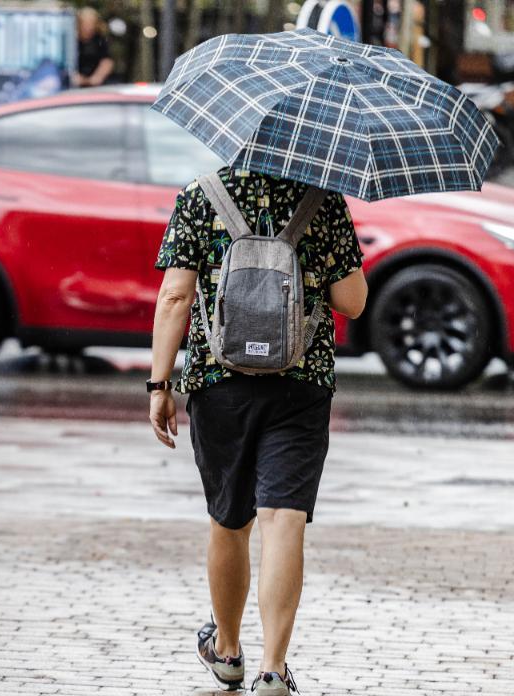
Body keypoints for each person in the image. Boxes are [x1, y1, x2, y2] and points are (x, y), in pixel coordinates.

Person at [148, 168, 367, 694]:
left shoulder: (202, 196)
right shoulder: (323, 201)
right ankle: (273, 666)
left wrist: (159, 384)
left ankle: (226, 650)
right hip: (301, 383)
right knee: (283, 519)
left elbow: (175, 297)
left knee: (229, 518)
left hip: (219, 383)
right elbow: (353, 301)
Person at [75, 8, 114, 87]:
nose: (89, 27)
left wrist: (96, 78)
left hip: (97, 84)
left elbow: (107, 61)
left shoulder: (100, 40)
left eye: (92, 23)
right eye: (86, 24)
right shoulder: (72, 42)